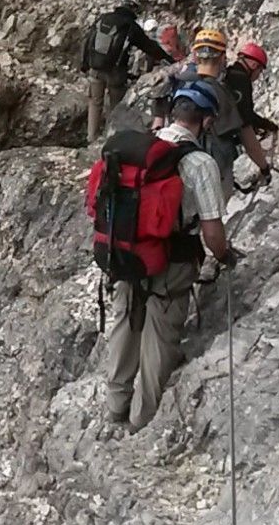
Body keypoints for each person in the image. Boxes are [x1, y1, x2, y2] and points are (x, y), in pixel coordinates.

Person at [99, 84, 237, 431]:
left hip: (127, 252)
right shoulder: (200, 163)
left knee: (125, 322)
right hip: (171, 260)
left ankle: (115, 405)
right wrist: (225, 256)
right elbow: (212, 232)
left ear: (174, 113)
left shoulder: (141, 149)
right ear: (205, 122)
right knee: (159, 336)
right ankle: (141, 418)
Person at [158, 28, 272, 192]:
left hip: (171, 155)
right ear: (222, 57)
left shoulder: (179, 80)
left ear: (196, 54)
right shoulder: (222, 92)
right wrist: (264, 168)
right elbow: (245, 132)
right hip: (209, 164)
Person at [79, 0, 175, 145]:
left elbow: (88, 40)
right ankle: (110, 139)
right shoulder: (130, 26)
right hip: (116, 73)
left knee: (95, 102)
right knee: (116, 106)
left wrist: (85, 64)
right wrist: (170, 60)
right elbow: (149, 46)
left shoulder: (103, 18)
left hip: (95, 67)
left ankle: (91, 137)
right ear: (134, 8)